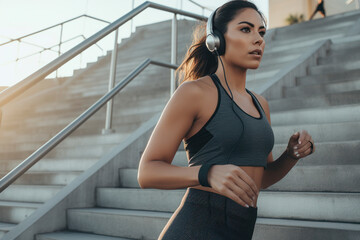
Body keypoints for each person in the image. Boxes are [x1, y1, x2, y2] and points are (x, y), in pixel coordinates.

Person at [138, 1, 315, 239]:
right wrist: (206, 174)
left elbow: (259, 180)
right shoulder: (194, 93)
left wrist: (291, 156)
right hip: (196, 227)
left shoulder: (261, 104)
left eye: (261, 32)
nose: (258, 39)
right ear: (217, 40)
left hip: (240, 230)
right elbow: (147, 172)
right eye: (246, 29)